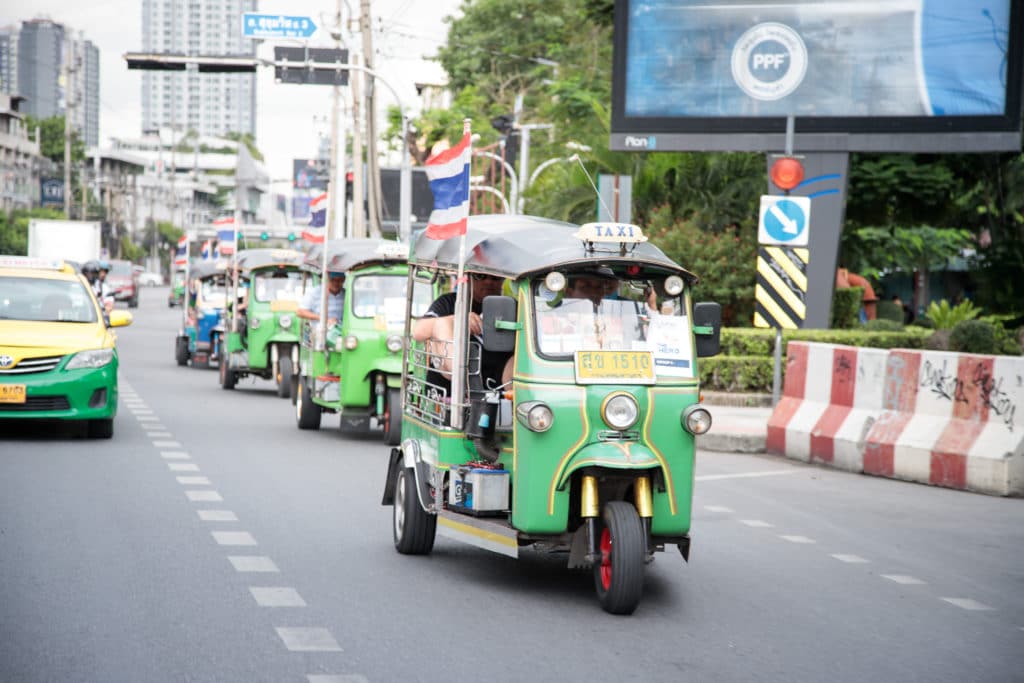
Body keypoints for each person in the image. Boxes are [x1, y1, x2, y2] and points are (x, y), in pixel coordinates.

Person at [413, 272, 512, 392]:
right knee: (441, 323)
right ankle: (459, 377)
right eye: (480, 276)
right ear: (470, 278)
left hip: (498, 386)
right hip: (451, 386)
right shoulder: (450, 302)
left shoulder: (512, 307)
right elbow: (418, 331)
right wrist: (458, 320)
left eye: (495, 277)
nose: (488, 281)